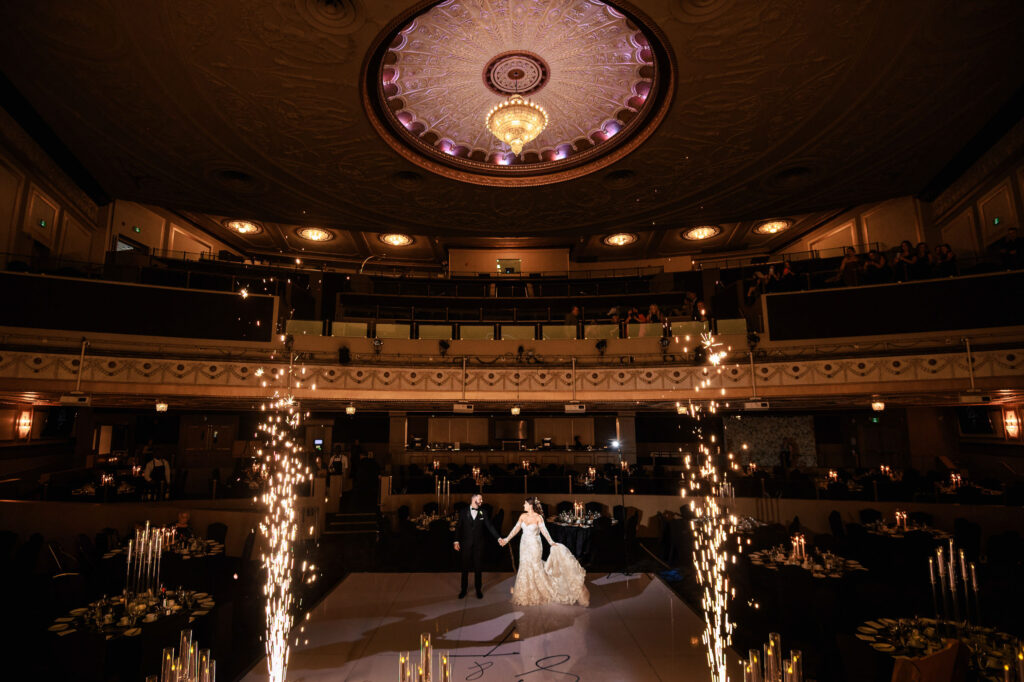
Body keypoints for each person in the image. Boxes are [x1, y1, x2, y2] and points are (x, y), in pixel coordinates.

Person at [499, 497, 589, 607]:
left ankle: (541, 591)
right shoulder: (522, 516)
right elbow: (515, 529)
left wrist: (552, 543)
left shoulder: (538, 517)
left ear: (531, 506)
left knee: (535, 566)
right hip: (524, 545)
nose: (523, 505)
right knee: (524, 566)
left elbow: (544, 532)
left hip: (535, 545)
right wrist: (506, 539)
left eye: (525, 504)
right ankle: (524, 592)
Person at [453, 493, 500, 599]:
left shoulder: (483, 512)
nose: (482, 501)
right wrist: (456, 541)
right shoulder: (463, 511)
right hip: (466, 543)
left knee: (478, 568)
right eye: (480, 499)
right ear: (474, 500)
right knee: (465, 567)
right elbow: (458, 527)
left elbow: (490, 526)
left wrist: (498, 537)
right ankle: (463, 590)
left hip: (479, 544)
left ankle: (478, 589)